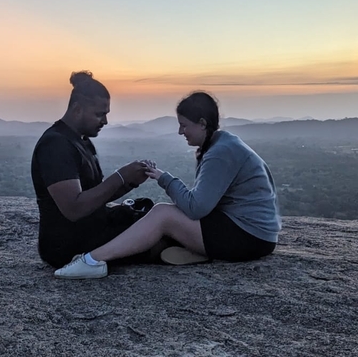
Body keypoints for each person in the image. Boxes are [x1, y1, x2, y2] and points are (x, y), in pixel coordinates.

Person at [54, 90, 281, 279]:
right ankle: (195, 250)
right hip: (250, 232)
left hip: (250, 237)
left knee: (163, 213)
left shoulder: (220, 153)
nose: (180, 131)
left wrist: (164, 178)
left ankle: (94, 260)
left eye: (184, 125)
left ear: (202, 124)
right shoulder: (222, 144)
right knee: (165, 215)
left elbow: (195, 208)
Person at [31, 70, 153, 268]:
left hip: (93, 229)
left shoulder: (82, 142)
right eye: (99, 114)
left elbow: (95, 196)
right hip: (66, 246)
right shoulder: (55, 145)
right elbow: (74, 208)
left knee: (152, 214)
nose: (104, 121)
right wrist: (120, 177)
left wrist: (130, 182)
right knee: (156, 230)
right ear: (77, 109)